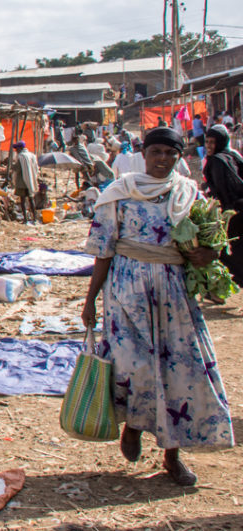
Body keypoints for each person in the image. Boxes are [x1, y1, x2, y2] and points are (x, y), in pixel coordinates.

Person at [82, 127, 234, 487]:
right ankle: (134, 425)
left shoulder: (187, 193)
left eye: (170, 153)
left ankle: (172, 455)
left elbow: (209, 243)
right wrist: (90, 301)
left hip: (174, 294)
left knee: (179, 369)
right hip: (126, 293)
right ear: (143, 154)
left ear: (179, 156)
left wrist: (207, 254)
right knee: (133, 366)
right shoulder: (118, 193)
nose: (163, 159)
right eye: (156, 152)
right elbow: (103, 251)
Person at [202, 124, 243, 287]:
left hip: (233, 212)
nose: (209, 146)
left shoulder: (217, 161)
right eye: (207, 142)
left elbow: (225, 189)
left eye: (212, 142)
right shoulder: (232, 154)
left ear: (220, 142)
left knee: (223, 251)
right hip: (240, 207)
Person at [11, 141, 40, 224]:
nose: (16, 151)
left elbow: (18, 168)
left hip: (22, 182)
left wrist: (11, 166)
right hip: (30, 180)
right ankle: (35, 218)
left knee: (23, 201)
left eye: (16, 149)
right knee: (31, 199)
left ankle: (25, 219)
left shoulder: (21, 157)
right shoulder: (32, 155)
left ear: (20, 148)